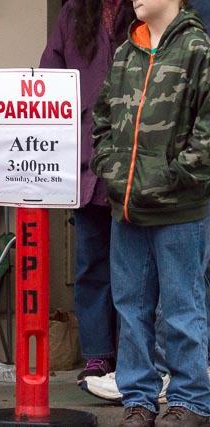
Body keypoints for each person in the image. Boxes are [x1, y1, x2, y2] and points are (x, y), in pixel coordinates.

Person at [81, 0, 210, 405]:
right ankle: (137, 399)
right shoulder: (125, 52)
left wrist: (173, 177)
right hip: (128, 208)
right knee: (131, 309)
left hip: (180, 210)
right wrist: (113, 173)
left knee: (182, 307)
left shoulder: (197, 49)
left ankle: (190, 400)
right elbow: (101, 121)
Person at [39, 0, 136, 384]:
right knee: (92, 265)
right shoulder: (73, 12)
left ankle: (134, 358)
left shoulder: (149, 7)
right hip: (86, 161)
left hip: (136, 166)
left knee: (136, 271)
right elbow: (49, 80)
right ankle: (98, 356)